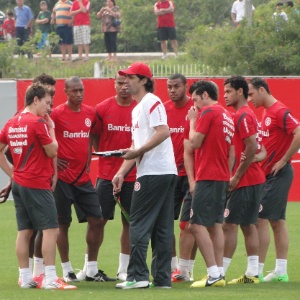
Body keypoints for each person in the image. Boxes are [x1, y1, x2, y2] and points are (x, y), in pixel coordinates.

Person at [0, 83, 76, 290]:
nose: (49, 108)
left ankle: (25, 278)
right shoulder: (38, 123)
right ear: (36, 100)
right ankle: (50, 278)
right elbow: (52, 151)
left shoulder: (12, 122)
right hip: (37, 183)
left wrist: (12, 174)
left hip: (21, 185)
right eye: (47, 103)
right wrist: (51, 127)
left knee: (24, 230)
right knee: (51, 229)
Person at [113, 62, 177, 289]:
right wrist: (121, 172)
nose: (125, 81)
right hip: (160, 171)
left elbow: (163, 132)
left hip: (154, 172)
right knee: (162, 227)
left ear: (143, 80)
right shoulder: (138, 107)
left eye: (130, 77)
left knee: (138, 223)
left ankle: (138, 276)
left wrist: (139, 151)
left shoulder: (152, 101)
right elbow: (135, 145)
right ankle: (162, 279)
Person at [51, 76, 114, 283]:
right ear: (66, 92)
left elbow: (90, 137)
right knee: (62, 224)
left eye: (81, 90)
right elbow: (45, 136)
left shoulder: (90, 113)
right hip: (61, 178)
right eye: (74, 91)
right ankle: (67, 269)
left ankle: (91, 269)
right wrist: (54, 158)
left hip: (83, 178)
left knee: (97, 219)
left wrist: (90, 157)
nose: (79, 94)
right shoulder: (57, 114)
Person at [76, 74, 136, 282]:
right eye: (120, 84)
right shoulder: (102, 109)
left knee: (129, 222)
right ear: (114, 85)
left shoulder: (139, 109)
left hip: (133, 175)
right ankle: (89, 269)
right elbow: (93, 137)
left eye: (127, 84)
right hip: (105, 175)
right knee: (97, 221)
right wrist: (104, 154)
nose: (124, 88)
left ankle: (124, 270)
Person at [248, 77, 300, 283]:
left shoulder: (279, 111)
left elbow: (298, 132)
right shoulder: (266, 112)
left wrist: (284, 159)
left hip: (278, 173)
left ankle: (257, 271)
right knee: (276, 222)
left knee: (260, 219)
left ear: (262, 90)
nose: (249, 98)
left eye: (251, 94)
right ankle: (280, 270)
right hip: (268, 174)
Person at [187, 81, 234, 288]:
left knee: (195, 225)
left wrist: (192, 121)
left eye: (196, 100)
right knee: (215, 225)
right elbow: (231, 151)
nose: (194, 105)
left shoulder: (207, 112)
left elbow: (194, 142)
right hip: (222, 176)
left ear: (205, 95)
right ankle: (219, 273)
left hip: (208, 175)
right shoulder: (226, 115)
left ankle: (213, 274)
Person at [222, 76, 266, 284]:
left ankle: (219, 273)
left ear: (240, 92)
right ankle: (252, 273)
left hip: (246, 180)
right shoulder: (245, 114)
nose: (225, 95)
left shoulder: (243, 116)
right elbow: (260, 150)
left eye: (229, 91)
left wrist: (236, 176)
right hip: (252, 178)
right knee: (248, 225)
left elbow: (251, 147)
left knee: (229, 225)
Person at [163, 74, 196, 282]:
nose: (172, 90)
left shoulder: (195, 109)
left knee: (189, 224)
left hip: (192, 173)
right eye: (169, 87)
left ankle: (185, 270)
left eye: (176, 86)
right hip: (169, 173)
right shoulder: (163, 109)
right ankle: (175, 267)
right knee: (166, 223)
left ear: (186, 87)